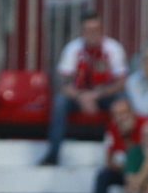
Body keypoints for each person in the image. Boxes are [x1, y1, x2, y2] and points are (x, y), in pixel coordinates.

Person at [42, 11, 126, 167]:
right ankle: (53, 154)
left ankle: (123, 151)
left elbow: (120, 83)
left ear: (102, 30)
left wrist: (95, 95)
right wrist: (82, 97)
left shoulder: (113, 48)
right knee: (59, 102)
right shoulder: (72, 48)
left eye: (96, 29)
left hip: (104, 95)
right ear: (82, 31)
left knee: (123, 102)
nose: (92, 33)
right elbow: (63, 83)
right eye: (88, 30)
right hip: (77, 96)